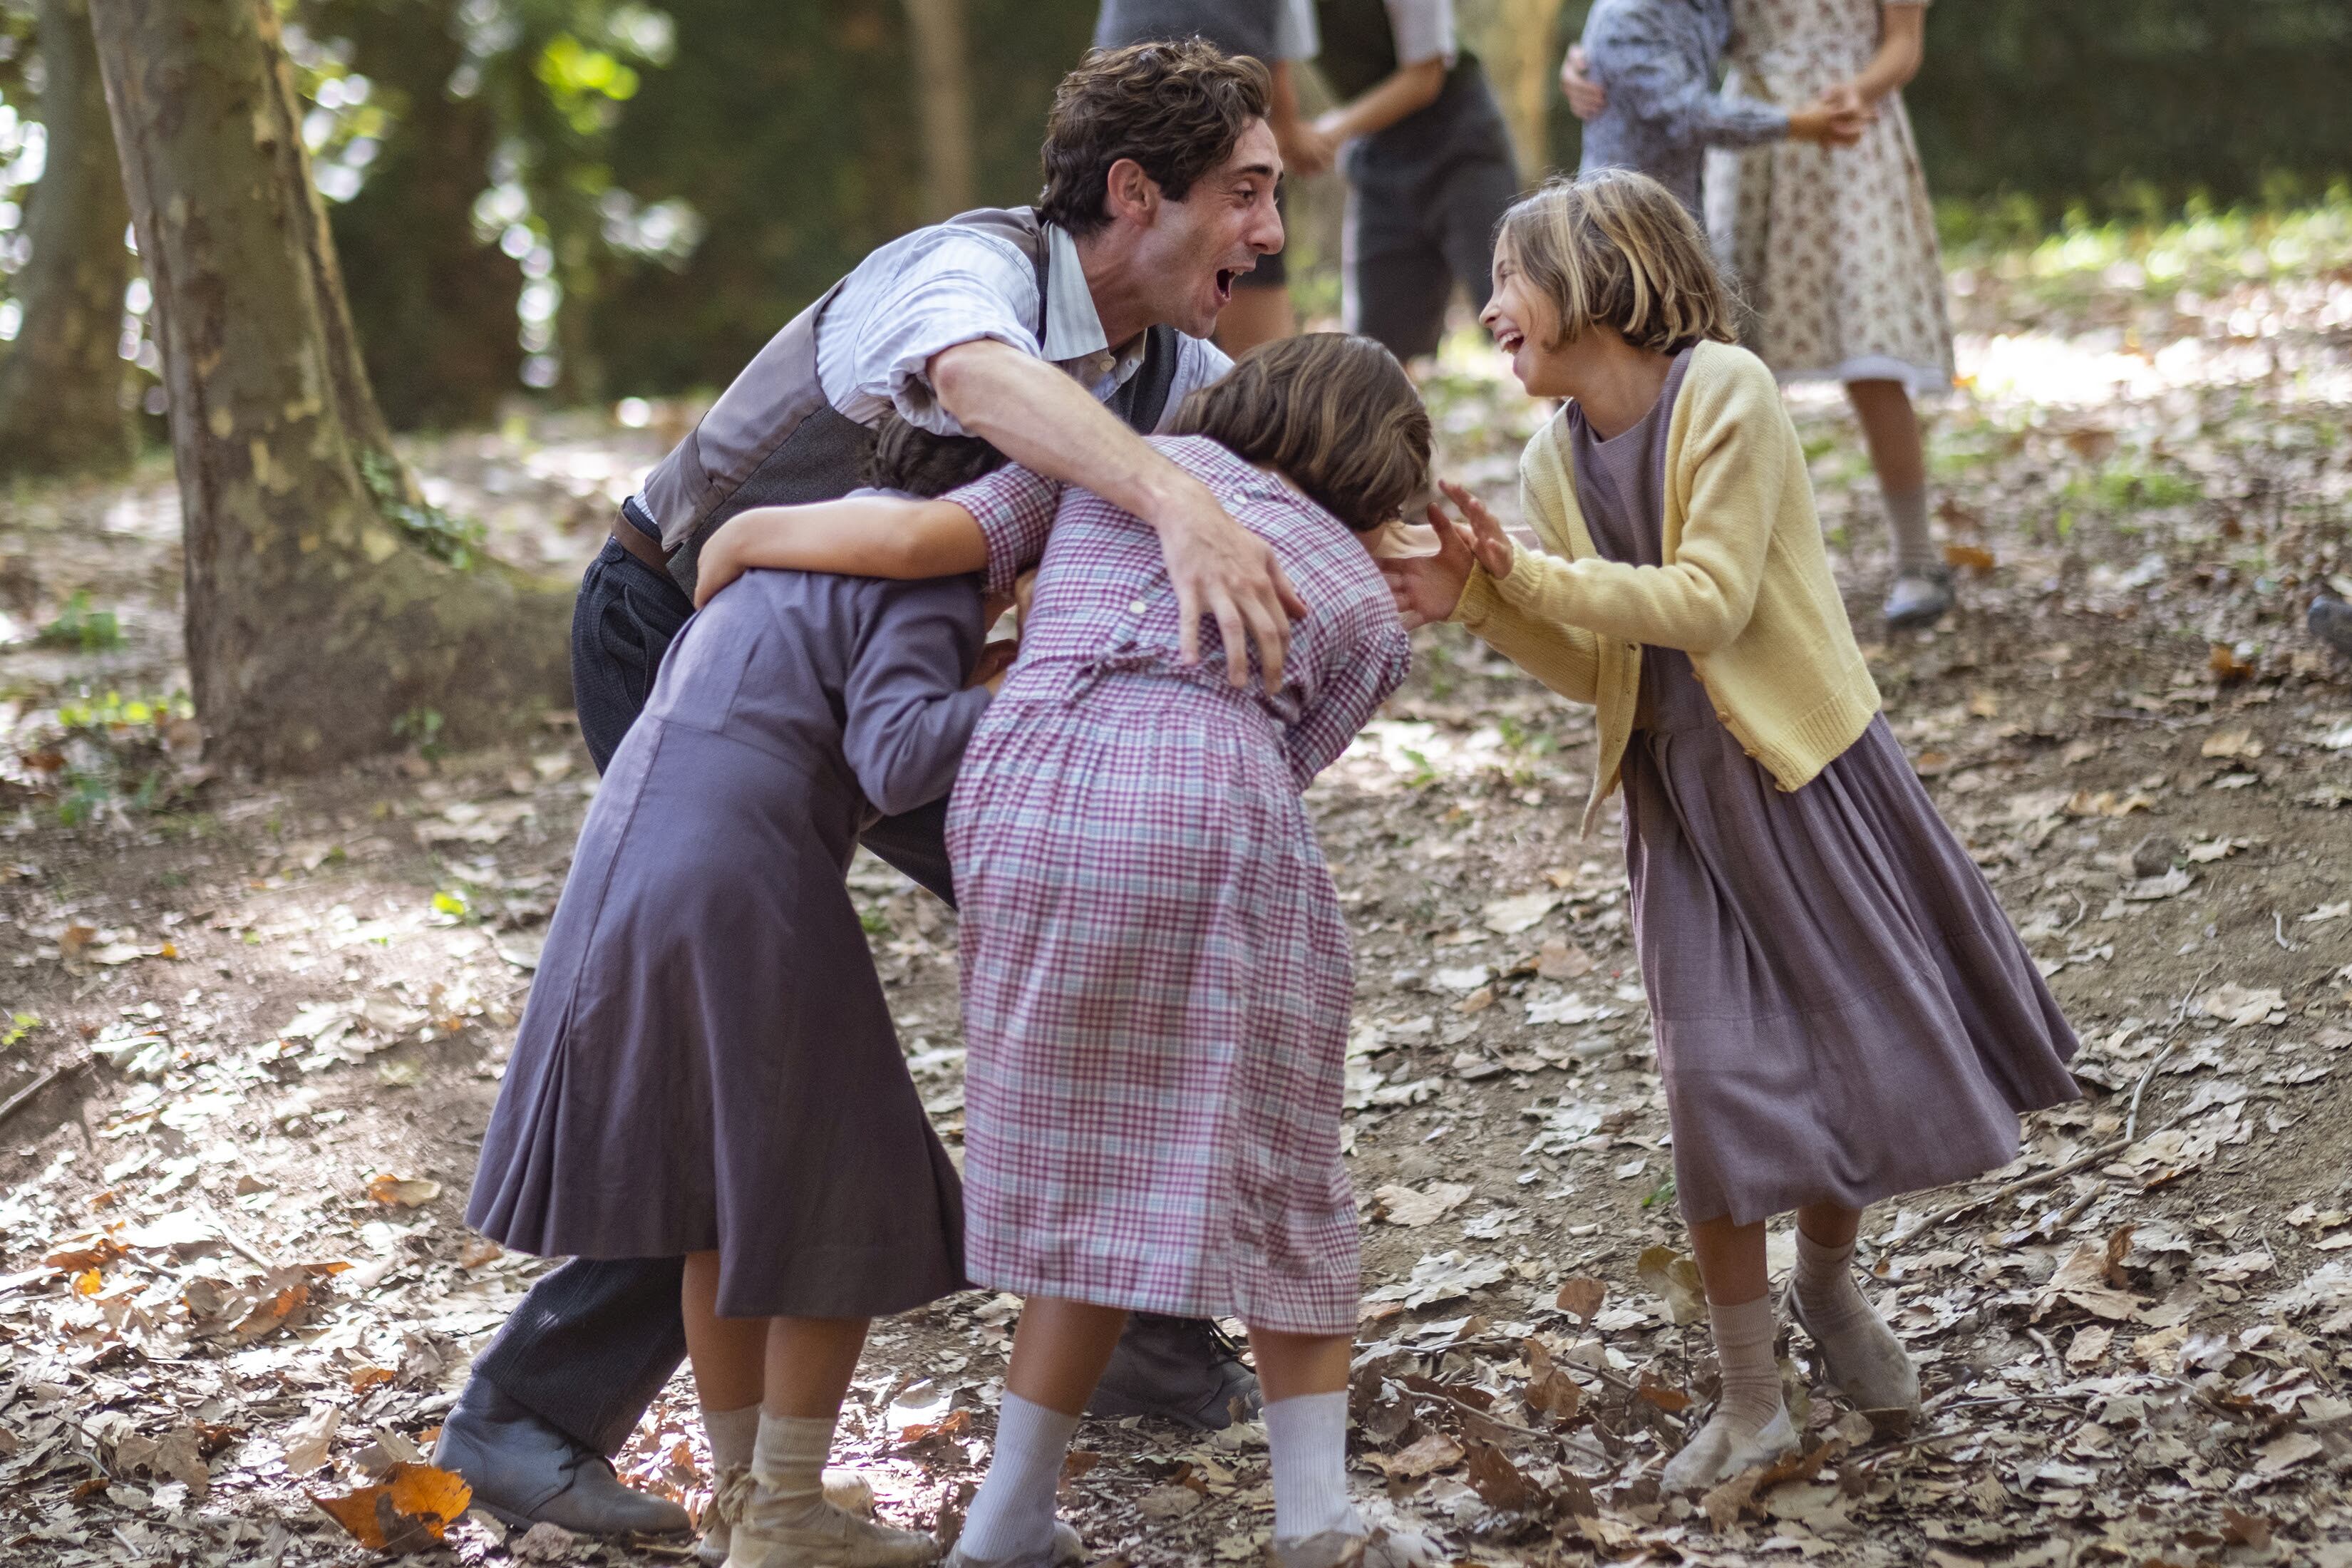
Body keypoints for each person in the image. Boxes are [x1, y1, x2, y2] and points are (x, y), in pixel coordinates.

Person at [435, 40, 1288, 1537]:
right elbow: (978, 389)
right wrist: (1168, 503)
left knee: (1108, 909)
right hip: (684, 640)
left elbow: (1288, 448)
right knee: (735, 1057)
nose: (1270, 231)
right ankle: (532, 1411)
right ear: (1136, 193)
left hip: (877, 672)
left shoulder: (1173, 363)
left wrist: (1413, 525)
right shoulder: (962, 274)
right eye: (1245, 192)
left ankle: (1133, 1318)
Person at [693, 334, 1440, 1568]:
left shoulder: (1106, 467)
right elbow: (1284, 766)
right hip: (1201, 799)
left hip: (1019, 795)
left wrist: (734, 539)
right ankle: (1317, 1522)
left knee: (1089, 1152)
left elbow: (914, 540)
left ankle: (1009, 1519)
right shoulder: (1361, 605)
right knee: (1282, 1162)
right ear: (1376, 477)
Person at [1382, 172, 2078, 1490]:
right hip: (1681, 803)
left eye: (1506, 279)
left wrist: (1513, 570)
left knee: (1855, 1060)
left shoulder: (1729, 395)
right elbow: (1606, 659)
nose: (1486, 311)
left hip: (1805, 776)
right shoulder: (1551, 458)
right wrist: (1472, 597)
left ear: (1594, 275)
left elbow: (1703, 603)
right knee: (1715, 1091)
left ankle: (1827, 1283)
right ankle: (1754, 1402)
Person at [467, 419, 1013, 1568]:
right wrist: (1046, 686)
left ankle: (744, 1491)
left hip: (635, 849)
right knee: (841, 1180)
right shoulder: (933, 573)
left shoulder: (804, 550)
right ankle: (786, 1514)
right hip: (737, 874)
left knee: (719, 1189)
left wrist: (981, 674)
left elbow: (826, 720)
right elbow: (903, 756)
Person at [1562, 1, 1960, 630]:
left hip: (1846, 138)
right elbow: (1668, 22)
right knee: (1729, 357)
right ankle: (1730, 565)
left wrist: (1845, 97)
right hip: (1746, 141)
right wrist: (1588, 56)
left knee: (1869, 346)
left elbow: (1903, 44)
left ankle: (1917, 557)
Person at [1284, 0, 1520, 363]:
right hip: (1380, 153)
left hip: (1461, 143)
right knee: (1375, 351)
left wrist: (1329, 133)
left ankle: (1575, 417)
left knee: (1523, 306)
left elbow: (1424, 77)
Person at [1093, 0, 1329, 352]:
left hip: (1106, 134)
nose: (1272, 236)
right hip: (1195, 145)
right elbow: (1278, 84)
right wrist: (1294, 135)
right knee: (1260, 367)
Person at [1572, 0, 1867, 217]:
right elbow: (1690, 116)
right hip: (1619, 214)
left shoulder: (1705, 7)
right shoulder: (1628, 17)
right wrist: (1797, 123)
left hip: (1682, 204)